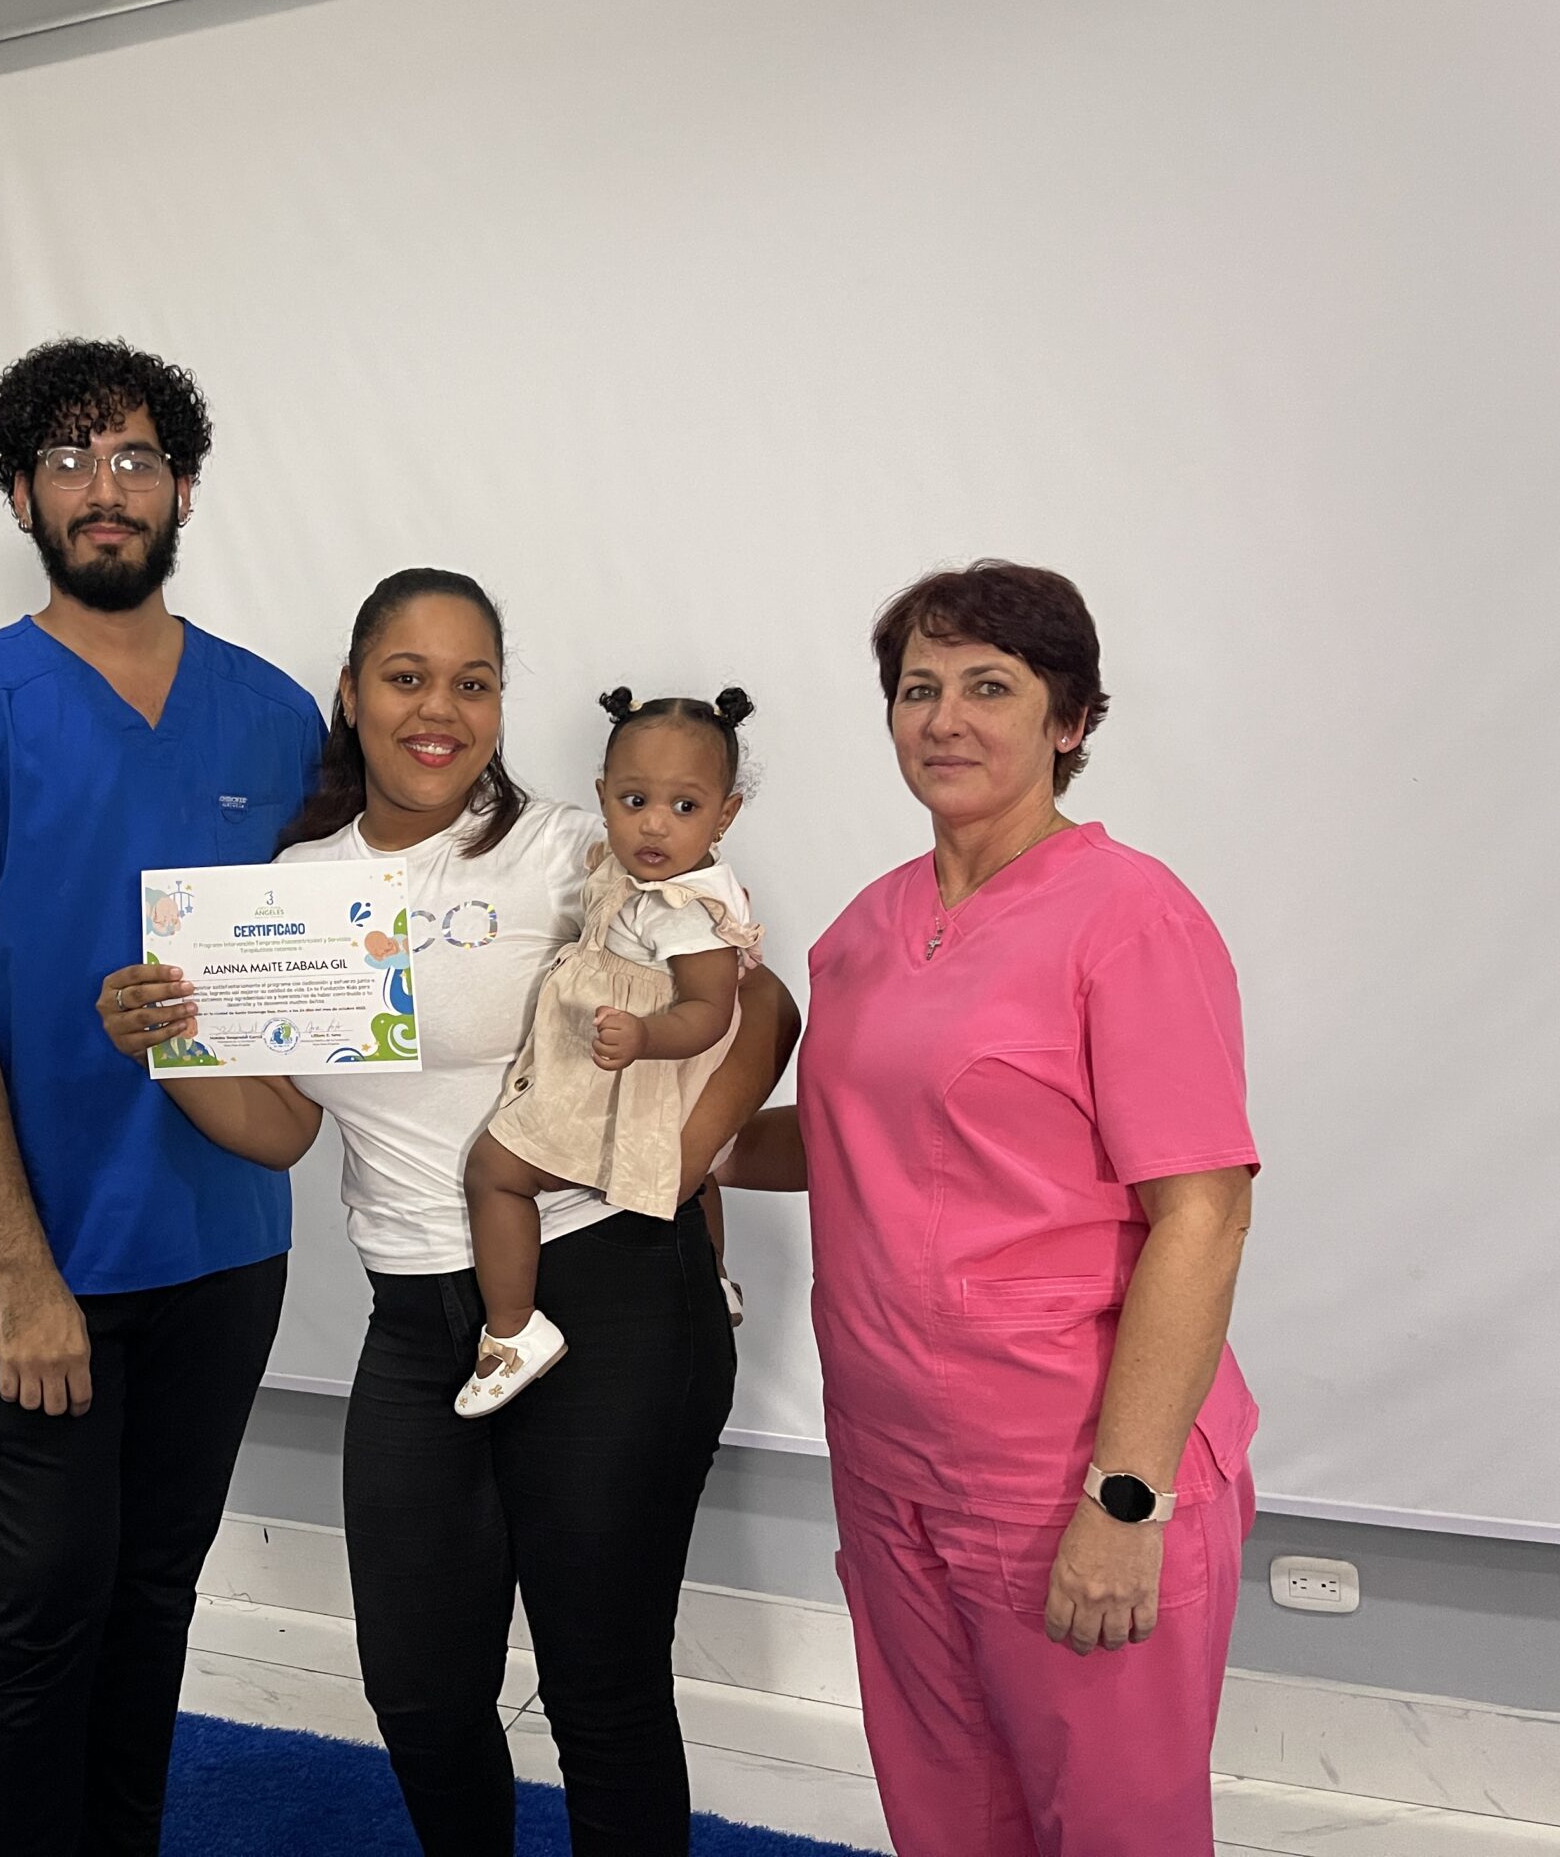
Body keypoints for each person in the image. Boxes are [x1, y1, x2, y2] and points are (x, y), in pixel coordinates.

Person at [98, 568, 799, 1855]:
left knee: (600, 1690)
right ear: (352, 692)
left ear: (500, 704)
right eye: (407, 677)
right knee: (419, 1696)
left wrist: (675, 1159)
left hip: (608, 1295)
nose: (439, 709)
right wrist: (172, 1049)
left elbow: (761, 1007)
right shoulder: (292, 887)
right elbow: (285, 1129)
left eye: (472, 682)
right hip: (417, 1322)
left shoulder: (579, 855)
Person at [0, 339, 325, 1856]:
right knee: (41, 1606)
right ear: (18, 496)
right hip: (17, 1262)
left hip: (220, 1247)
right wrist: (22, 1267)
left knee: (152, 1596)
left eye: (132, 460)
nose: (101, 488)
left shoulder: (273, 716)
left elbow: (321, 971)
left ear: (181, 489)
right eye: (65, 461)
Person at [719, 560, 1259, 1857]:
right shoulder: (865, 930)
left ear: (1068, 721)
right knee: (943, 1812)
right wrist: (650, 1145)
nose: (945, 719)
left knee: (1114, 1830)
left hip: (1065, 1463)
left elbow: (1203, 1216)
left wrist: (1125, 1500)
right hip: (889, 1459)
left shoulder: (1130, 919)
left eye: (989, 687)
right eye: (918, 689)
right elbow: (850, 1143)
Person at [457, 684, 765, 1415]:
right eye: (634, 801)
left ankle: (513, 1332)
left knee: (495, 1171)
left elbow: (713, 1012)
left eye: (685, 807)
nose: (655, 824)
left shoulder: (687, 911)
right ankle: (714, 1276)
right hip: (632, 1060)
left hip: (630, 1065)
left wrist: (646, 1036)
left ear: (725, 815)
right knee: (697, 1174)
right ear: (602, 797)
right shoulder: (635, 876)